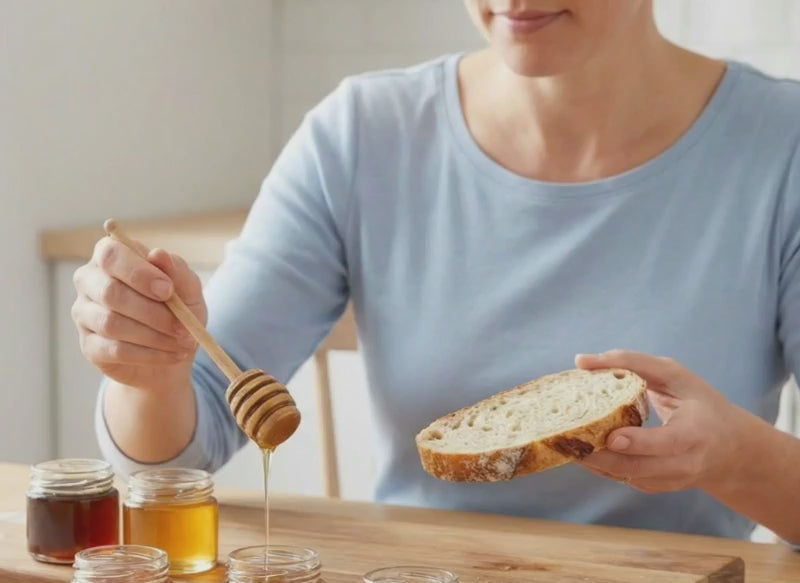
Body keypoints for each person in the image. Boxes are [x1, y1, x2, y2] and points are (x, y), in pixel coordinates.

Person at [71, 1, 800, 544]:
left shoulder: (782, 148)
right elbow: (183, 448)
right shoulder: (363, 133)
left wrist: (732, 456)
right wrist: (147, 372)